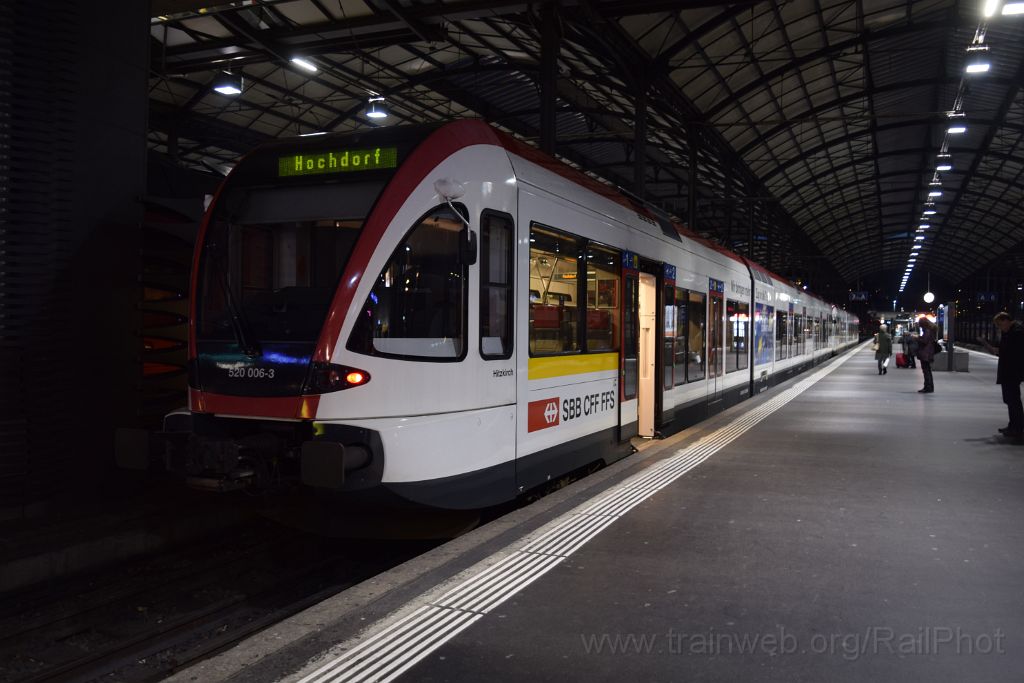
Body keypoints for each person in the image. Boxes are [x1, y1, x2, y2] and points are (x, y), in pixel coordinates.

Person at [980, 312, 1024, 438]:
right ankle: (1013, 425)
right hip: (1009, 370)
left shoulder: (1017, 332)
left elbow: (1009, 351)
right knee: (1010, 399)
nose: (1000, 328)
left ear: (1006, 320)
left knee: (1013, 400)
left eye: (1000, 325)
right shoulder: (1011, 331)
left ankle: (1017, 427)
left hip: (1013, 371)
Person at [915, 317, 937, 393]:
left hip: (925, 353)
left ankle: (928, 387)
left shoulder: (927, 331)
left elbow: (924, 341)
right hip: (928, 352)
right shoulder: (930, 330)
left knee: (926, 371)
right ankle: (929, 387)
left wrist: (917, 338)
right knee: (927, 371)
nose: (919, 325)